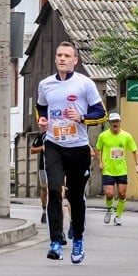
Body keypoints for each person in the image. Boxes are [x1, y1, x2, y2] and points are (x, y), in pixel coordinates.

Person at [37, 41, 106, 264]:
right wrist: (42, 120)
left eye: (67, 55)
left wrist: (82, 118)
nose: (62, 59)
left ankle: (77, 236)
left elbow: (101, 113)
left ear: (75, 60)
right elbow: (41, 107)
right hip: (54, 144)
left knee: (76, 197)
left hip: (78, 147)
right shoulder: (45, 84)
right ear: (56, 59)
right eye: (59, 55)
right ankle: (55, 241)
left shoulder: (84, 84)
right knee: (55, 190)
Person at [94, 112, 138, 226]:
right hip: (108, 170)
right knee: (109, 194)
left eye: (117, 121)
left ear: (120, 122)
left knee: (122, 193)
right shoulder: (103, 136)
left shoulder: (126, 136)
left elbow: (135, 150)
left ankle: (118, 216)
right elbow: (97, 149)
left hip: (121, 170)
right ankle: (109, 209)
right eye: (113, 122)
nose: (115, 124)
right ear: (109, 123)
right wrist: (100, 162)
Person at [29, 124, 48, 224]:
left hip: (58, 167)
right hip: (43, 167)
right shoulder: (41, 136)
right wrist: (43, 148)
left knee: (57, 189)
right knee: (44, 189)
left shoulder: (59, 136)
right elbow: (32, 150)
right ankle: (44, 211)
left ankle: (55, 210)